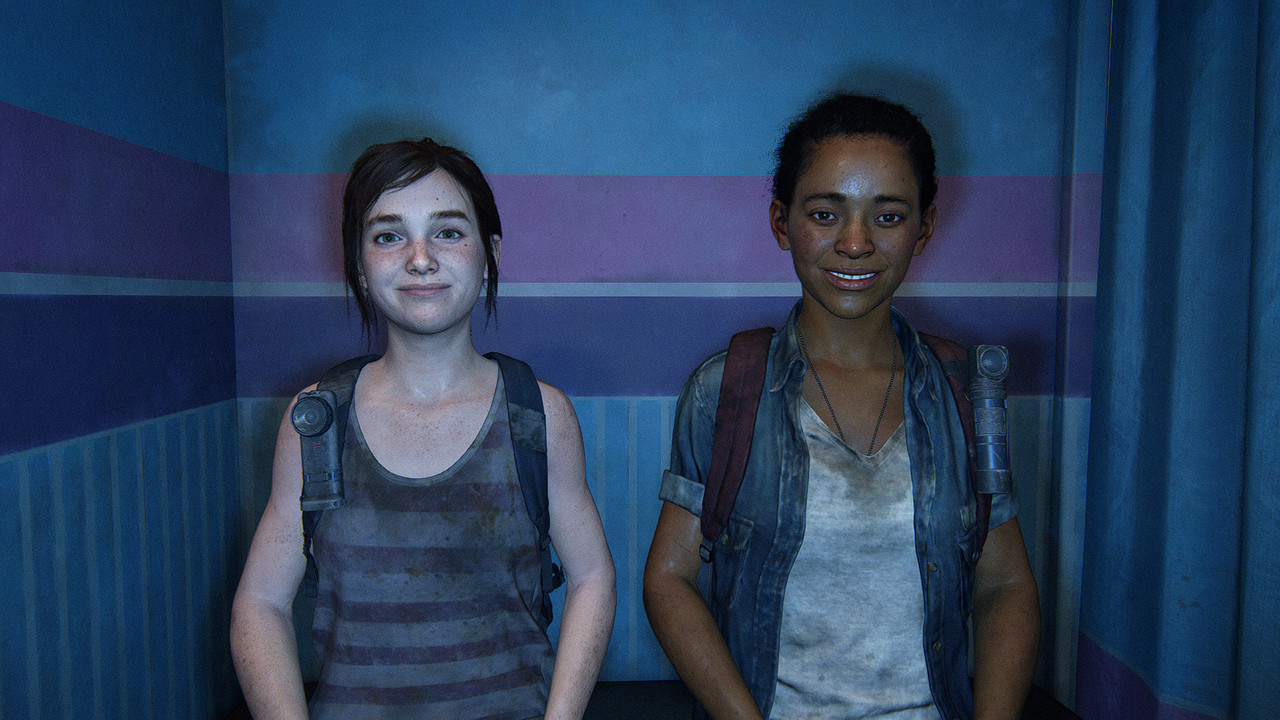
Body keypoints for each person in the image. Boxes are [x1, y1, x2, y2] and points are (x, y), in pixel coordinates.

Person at [643, 94, 1040, 720]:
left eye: (889, 217)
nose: (855, 243)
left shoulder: (966, 392)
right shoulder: (726, 391)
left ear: (924, 228)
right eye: (826, 214)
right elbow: (670, 579)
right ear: (781, 222)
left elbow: (1006, 584)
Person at [231, 138, 616, 720]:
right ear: (359, 266)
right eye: (388, 236)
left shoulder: (537, 414)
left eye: (448, 232)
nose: (420, 258)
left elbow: (592, 576)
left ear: (491, 254)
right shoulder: (316, 421)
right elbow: (261, 602)